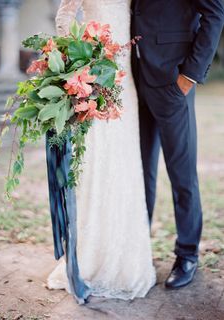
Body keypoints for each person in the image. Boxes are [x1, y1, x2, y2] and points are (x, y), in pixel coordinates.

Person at [46, 0, 156, 304]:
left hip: (125, 82)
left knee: (125, 163)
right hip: (95, 77)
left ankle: (126, 256)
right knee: (96, 162)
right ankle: (91, 253)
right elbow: (64, 14)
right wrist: (84, 58)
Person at [130, 0, 224, 289]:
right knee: (140, 171)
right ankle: (138, 247)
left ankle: (187, 254)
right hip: (134, 79)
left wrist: (190, 75)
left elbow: (215, 13)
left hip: (173, 79)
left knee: (182, 174)